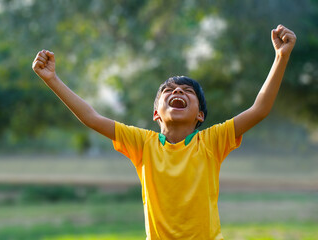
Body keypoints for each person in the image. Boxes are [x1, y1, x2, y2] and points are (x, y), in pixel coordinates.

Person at [32, 24, 296, 239]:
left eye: (187, 92)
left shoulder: (212, 141)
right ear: (156, 113)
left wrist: (281, 57)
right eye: (168, 91)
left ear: (200, 116)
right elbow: (91, 117)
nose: (178, 91)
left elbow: (260, 109)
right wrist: (52, 79)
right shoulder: (142, 143)